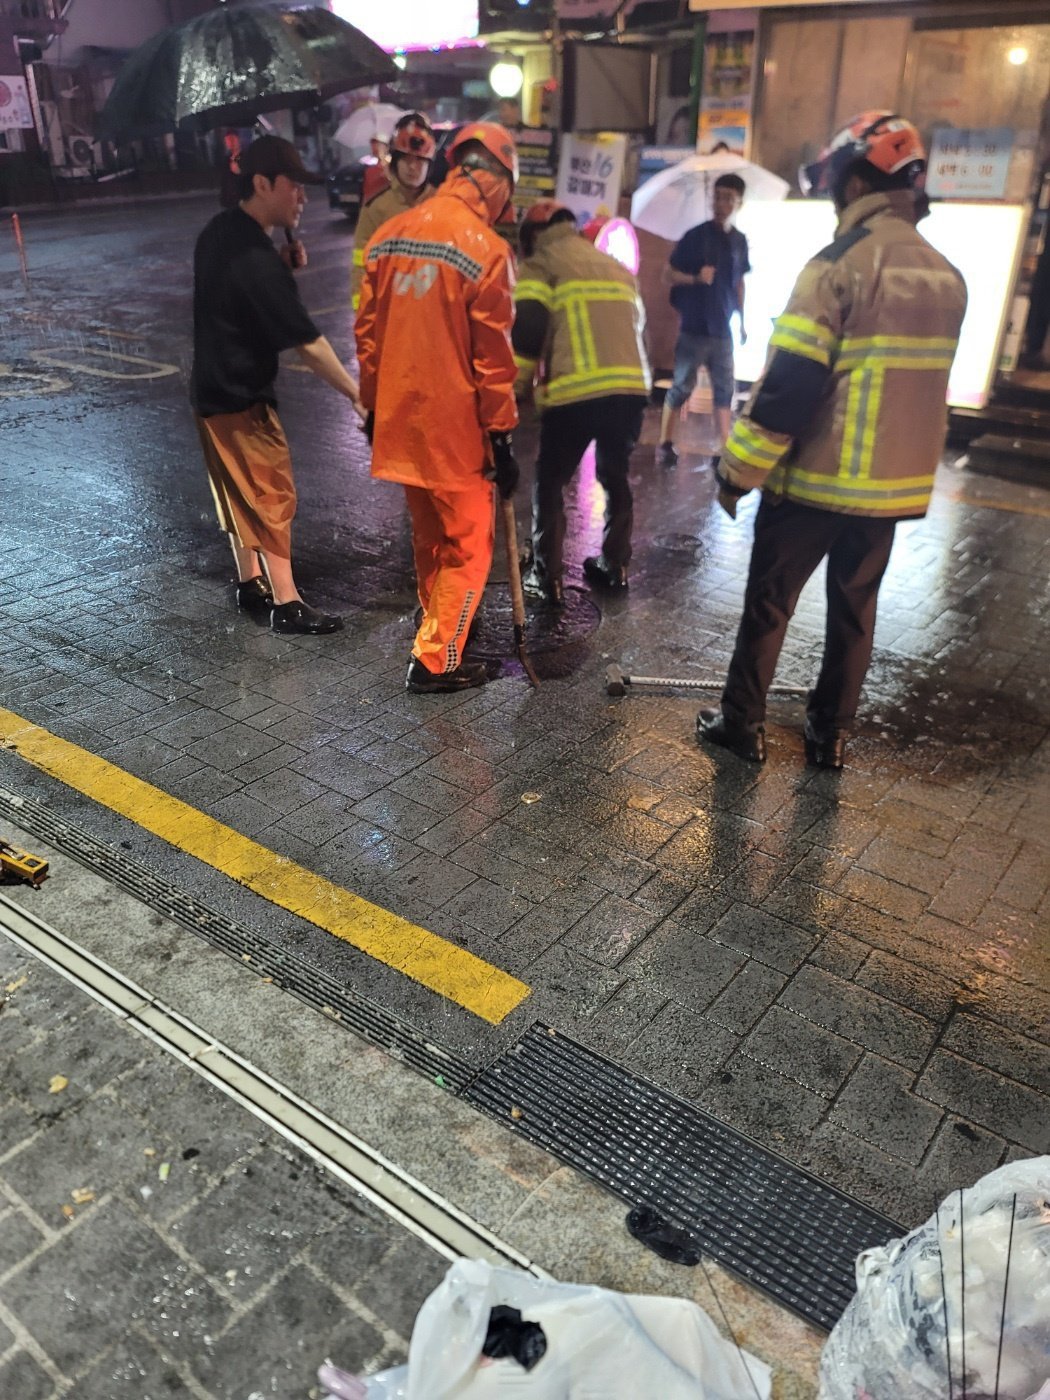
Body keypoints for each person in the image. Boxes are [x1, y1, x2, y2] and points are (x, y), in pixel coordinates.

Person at [696, 112, 967, 769]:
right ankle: (831, 736)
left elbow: (788, 391)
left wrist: (737, 473)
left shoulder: (836, 267)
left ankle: (742, 725)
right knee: (855, 613)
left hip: (816, 483)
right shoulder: (948, 277)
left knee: (769, 605)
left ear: (855, 183)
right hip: (890, 492)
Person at [355, 123, 520, 693]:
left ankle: (442, 628)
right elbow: (492, 360)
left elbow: (368, 338)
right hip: (456, 431)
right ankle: (436, 659)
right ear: (497, 182)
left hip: (400, 423)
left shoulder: (389, 236)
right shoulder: (487, 251)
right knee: (469, 547)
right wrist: (502, 436)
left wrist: (372, 409)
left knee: (430, 538)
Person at [191, 135, 364, 635]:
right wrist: (356, 395)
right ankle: (286, 603)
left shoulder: (221, 231)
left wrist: (281, 265)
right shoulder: (257, 259)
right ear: (263, 184)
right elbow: (308, 343)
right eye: (295, 186)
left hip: (209, 388)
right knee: (271, 492)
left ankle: (250, 582)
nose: (302, 197)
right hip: (242, 394)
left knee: (236, 488)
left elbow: (233, 292)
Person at [512, 200, 651, 604]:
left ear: (533, 235)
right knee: (615, 476)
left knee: (550, 481)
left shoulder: (540, 264)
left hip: (575, 393)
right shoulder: (615, 267)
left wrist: (515, 389)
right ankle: (615, 565)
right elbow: (639, 331)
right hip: (629, 390)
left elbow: (529, 329)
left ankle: (547, 576)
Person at [658, 172, 749, 468]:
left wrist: (742, 321)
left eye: (728, 199)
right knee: (682, 386)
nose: (721, 204)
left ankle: (723, 448)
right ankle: (665, 442)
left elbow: (739, 283)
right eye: (717, 197)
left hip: (723, 329)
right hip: (694, 327)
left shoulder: (739, 241)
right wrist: (696, 278)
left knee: (725, 389)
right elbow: (667, 274)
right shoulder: (695, 236)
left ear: (739, 203)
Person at [350, 112, 436, 312]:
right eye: (406, 159)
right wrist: (364, 314)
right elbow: (361, 265)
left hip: (432, 313)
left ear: (429, 165)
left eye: (419, 160)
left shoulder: (442, 204)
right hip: (390, 311)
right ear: (395, 161)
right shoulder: (377, 207)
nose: (412, 167)